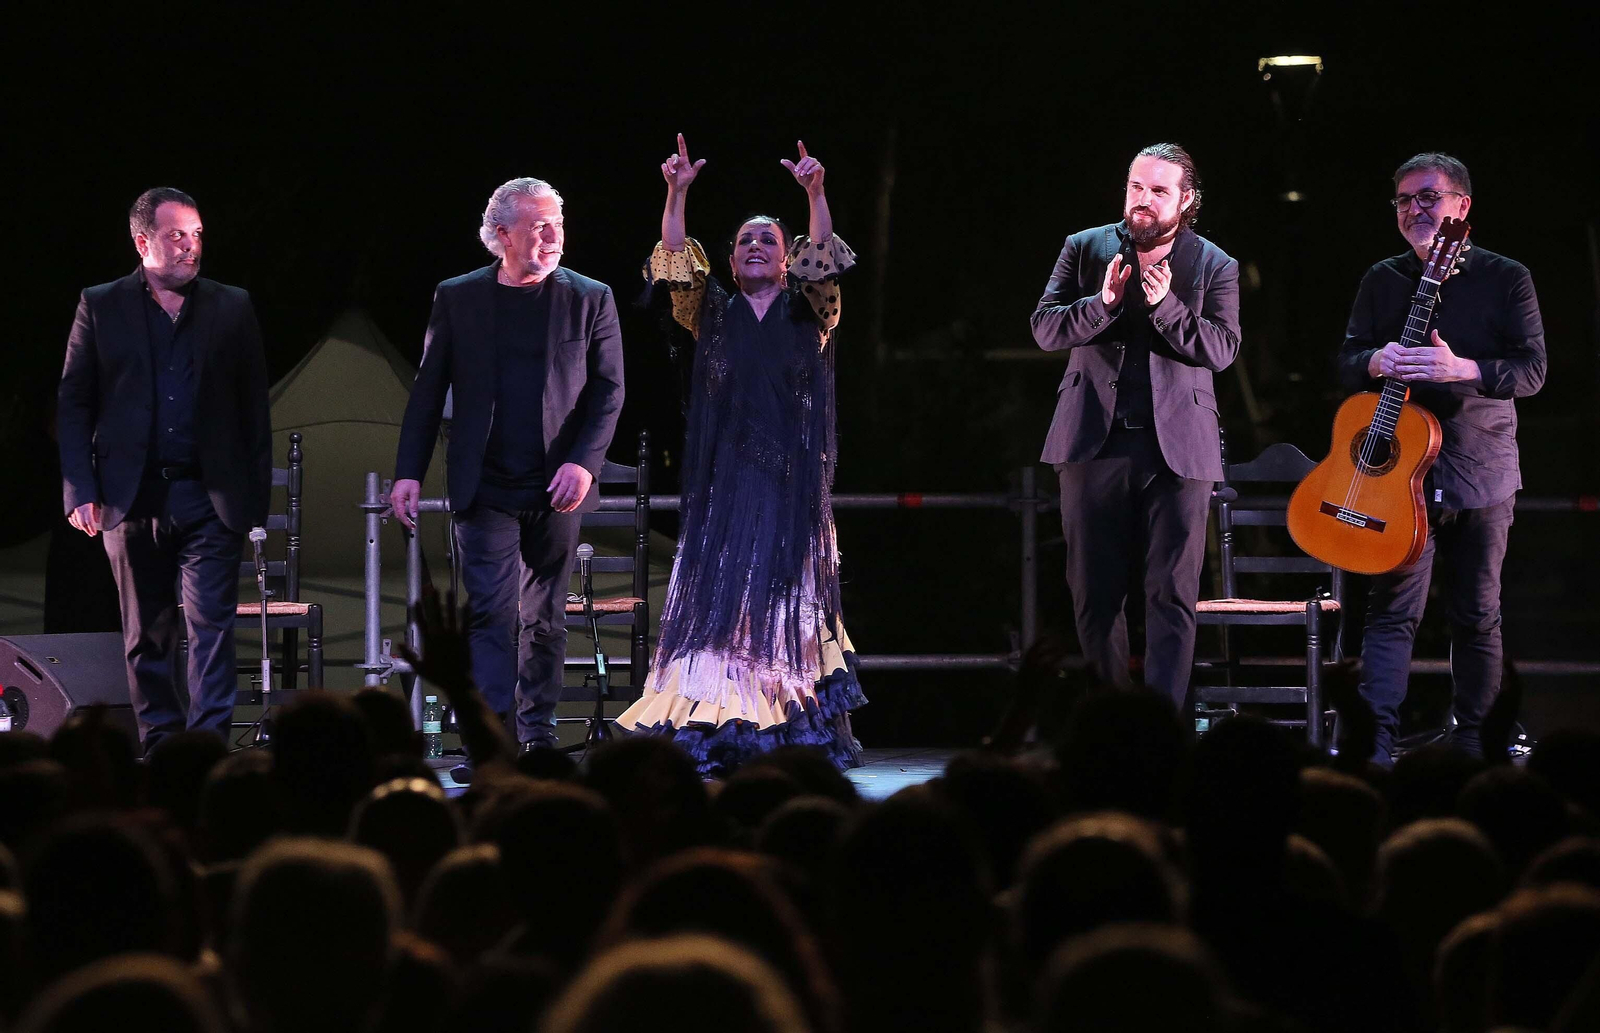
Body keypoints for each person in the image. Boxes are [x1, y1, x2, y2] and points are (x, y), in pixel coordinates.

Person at [615, 135, 865, 776]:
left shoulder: (813, 310)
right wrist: (676, 194)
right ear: (728, 260)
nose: (757, 247)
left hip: (789, 486)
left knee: (783, 600)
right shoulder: (710, 313)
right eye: (746, 241)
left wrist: (815, 195)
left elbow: (825, 261)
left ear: (788, 261)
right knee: (726, 603)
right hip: (727, 486)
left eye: (770, 241)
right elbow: (674, 258)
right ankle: (719, 717)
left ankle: (784, 722)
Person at [392, 177, 625, 751]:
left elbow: (608, 391)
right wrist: (408, 471)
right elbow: (428, 391)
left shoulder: (590, 297)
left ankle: (538, 735)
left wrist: (584, 463)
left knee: (544, 618)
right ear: (501, 236)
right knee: (491, 615)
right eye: (537, 226)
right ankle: (492, 741)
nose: (551, 238)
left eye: (557, 226)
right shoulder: (459, 296)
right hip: (486, 482)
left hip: (558, 486)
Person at [1338, 152, 1545, 765]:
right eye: (1403, 200)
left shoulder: (1507, 278)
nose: (1414, 210)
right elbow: (1347, 360)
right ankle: (1373, 747)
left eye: (1428, 196)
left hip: (1480, 468)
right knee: (1390, 612)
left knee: (1477, 614)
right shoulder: (1382, 278)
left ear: (1463, 206)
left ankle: (1476, 746)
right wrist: (1374, 362)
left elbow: (1533, 371)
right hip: (1400, 474)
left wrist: (1465, 370)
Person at [57, 188, 272, 752]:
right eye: (177, 235)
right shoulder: (101, 304)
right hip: (131, 496)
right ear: (142, 240)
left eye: (197, 234)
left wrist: (250, 504)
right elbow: (74, 401)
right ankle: (159, 748)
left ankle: (206, 752)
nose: (190, 246)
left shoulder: (232, 305)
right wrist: (80, 488)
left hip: (209, 496)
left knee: (211, 632)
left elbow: (254, 409)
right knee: (145, 636)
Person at [1030, 144, 1241, 709]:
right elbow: (1045, 330)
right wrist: (1099, 303)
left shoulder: (1214, 264)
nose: (1143, 201)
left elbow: (1222, 350)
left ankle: (1164, 725)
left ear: (1186, 200)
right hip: (1092, 442)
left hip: (1179, 450)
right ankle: (1113, 719)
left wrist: (1169, 306)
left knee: (1171, 594)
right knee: (1094, 594)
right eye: (1136, 188)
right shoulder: (1085, 247)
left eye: (1159, 191)